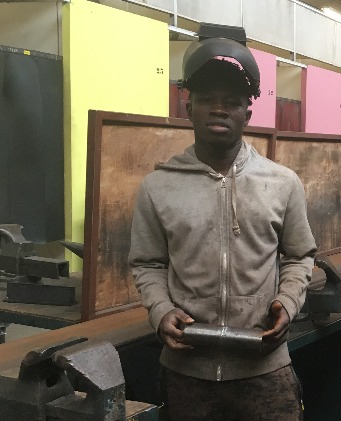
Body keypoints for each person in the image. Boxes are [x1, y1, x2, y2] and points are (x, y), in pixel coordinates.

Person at [129, 24, 317, 421]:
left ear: (247, 112)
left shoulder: (282, 183)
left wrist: (288, 302)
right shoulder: (158, 187)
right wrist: (160, 310)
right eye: (207, 99)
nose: (219, 109)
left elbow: (300, 256)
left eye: (231, 101)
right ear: (188, 107)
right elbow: (147, 263)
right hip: (187, 373)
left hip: (264, 368)